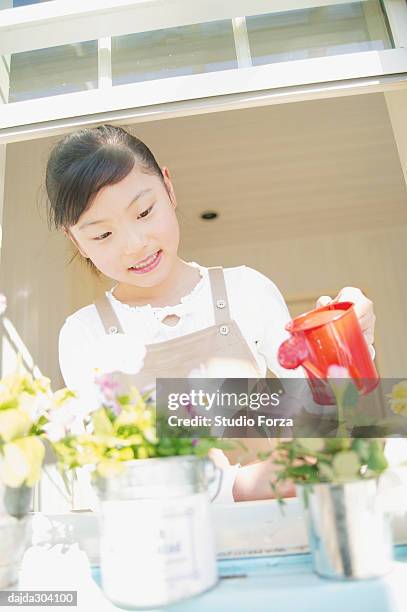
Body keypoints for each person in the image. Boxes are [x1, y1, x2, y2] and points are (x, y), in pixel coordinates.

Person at [46, 125, 376, 503]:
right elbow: (104, 479)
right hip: (165, 548)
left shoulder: (246, 291)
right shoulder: (84, 335)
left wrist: (350, 341)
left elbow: (331, 422)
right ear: (75, 240)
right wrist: (237, 486)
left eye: (144, 211)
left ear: (169, 188)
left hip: (273, 531)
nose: (134, 246)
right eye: (102, 236)